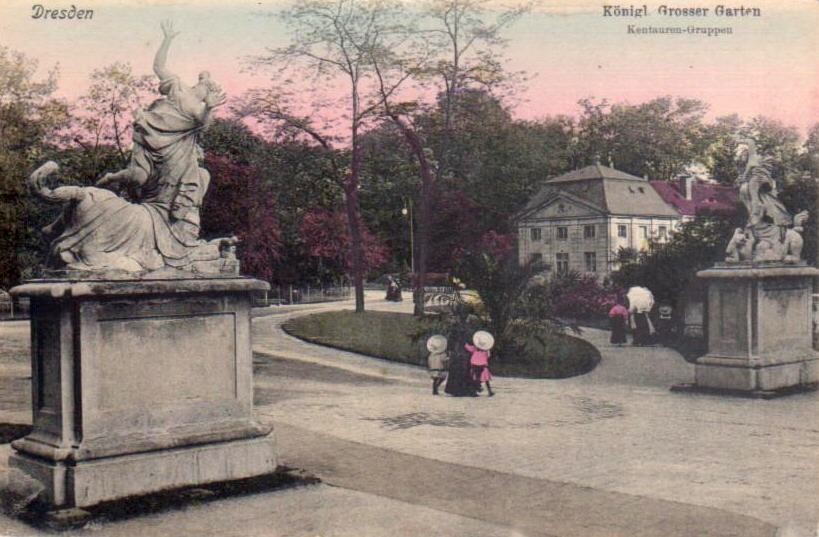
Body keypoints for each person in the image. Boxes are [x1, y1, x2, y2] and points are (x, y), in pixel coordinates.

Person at [465, 331, 495, 397]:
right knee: (486, 379)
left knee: (475, 378)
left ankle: (474, 391)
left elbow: (468, 348)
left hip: (474, 365)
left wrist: (466, 343)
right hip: (483, 366)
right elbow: (488, 356)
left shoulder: (474, 348)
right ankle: (489, 391)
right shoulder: (486, 350)